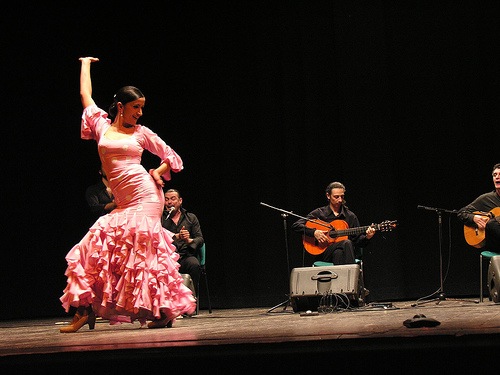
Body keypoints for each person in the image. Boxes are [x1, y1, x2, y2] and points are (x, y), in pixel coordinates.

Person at [59, 57, 196, 333]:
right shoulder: (100, 126)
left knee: (143, 255)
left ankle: (164, 310)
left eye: (142, 108)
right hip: (124, 201)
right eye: (136, 107)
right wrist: (85, 64)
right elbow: (86, 94)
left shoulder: (141, 134)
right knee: (92, 248)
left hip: (146, 197)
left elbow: (172, 156)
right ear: (120, 106)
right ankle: (84, 309)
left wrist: (159, 171)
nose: (140, 113)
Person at [291, 181, 376, 265]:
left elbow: (358, 241)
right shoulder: (319, 213)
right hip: (324, 252)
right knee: (346, 242)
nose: (340, 200)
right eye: (336, 197)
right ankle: (351, 275)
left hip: (343, 253)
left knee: (338, 252)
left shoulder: (350, 216)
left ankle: (342, 278)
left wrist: (368, 237)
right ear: (328, 196)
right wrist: (314, 232)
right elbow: (296, 225)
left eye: (342, 197)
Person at [162, 189, 204, 292]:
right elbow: (156, 238)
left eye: (173, 199)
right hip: (167, 258)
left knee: (194, 265)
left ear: (180, 201)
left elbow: (200, 238)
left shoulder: (190, 218)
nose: (169, 202)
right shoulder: (160, 219)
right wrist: (175, 236)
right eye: (166, 199)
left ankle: (192, 297)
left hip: (186, 256)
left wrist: (189, 240)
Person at [457, 162, 500, 252]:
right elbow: (461, 213)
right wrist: (473, 218)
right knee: (491, 224)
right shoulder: (487, 198)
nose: (497, 177)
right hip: (495, 246)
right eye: (495, 175)